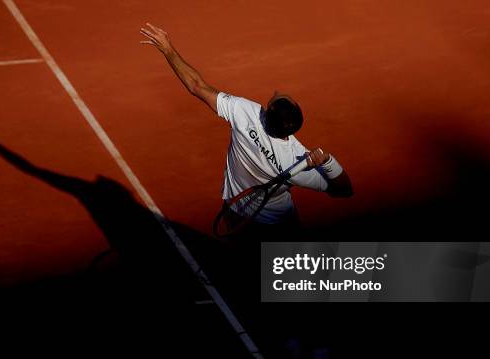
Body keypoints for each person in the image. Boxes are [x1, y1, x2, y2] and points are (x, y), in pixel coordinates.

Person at [140, 23, 353, 240]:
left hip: (235, 213)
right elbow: (344, 190)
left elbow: (197, 86)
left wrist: (167, 49)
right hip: (279, 227)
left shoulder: (247, 113)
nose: (279, 92)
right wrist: (326, 161)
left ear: (268, 112)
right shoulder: (295, 159)